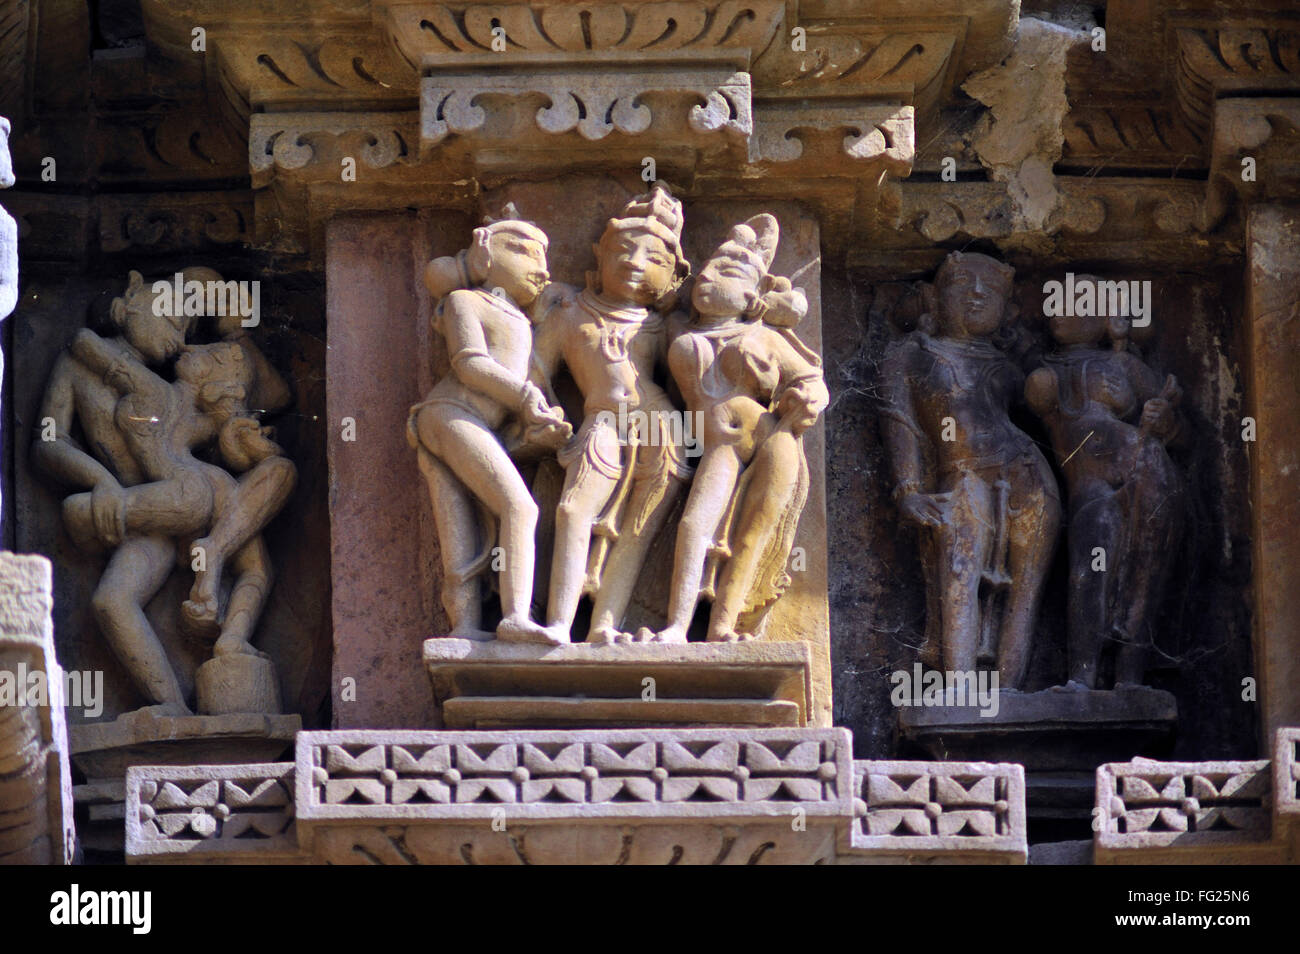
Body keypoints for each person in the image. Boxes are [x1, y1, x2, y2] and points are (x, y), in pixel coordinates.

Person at [879, 251, 1060, 689]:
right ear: (934, 299)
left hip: (1027, 473)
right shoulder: (912, 353)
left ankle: (1009, 693)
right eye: (963, 284)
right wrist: (908, 489)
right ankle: (958, 691)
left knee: (1024, 591)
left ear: (1009, 310)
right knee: (958, 578)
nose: (977, 293)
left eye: (991, 289)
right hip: (960, 474)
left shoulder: (1012, 366)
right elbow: (900, 421)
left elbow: (1054, 416)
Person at [646, 214, 826, 643]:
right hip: (718, 443)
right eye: (706, 269)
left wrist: (807, 401)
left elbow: (812, 381)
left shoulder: (765, 337)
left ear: (750, 295)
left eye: (725, 272)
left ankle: (723, 626)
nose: (707, 277)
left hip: (771, 437)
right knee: (695, 526)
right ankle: (676, 627)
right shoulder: (676, 329)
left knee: (755, 532)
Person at [531, 183, 693, 644]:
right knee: (573, 507)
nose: (635, 262)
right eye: (622, 250)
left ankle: (604, 624)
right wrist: (538, 409)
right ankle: (560, 623)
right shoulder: (568, 314)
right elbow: (535, 372)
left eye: (655, 260)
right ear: (598, 255)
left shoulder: (660, 325)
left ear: (675, 279)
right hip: (601, 420)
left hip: (662, 427)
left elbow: (693, 383)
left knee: (637, 529)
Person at [407, 213, 571, 643]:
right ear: (484, 252)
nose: (542, 268)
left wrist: (540, 424)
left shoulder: (522, 322)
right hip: (449, 413)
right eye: (526, 252)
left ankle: (464, 625)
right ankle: (514, 617)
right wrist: (522, 396)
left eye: (544, 256)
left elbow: (524, 393)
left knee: (460, 520)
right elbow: (469, 362)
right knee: (520, 507)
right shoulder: (467, 301)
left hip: (477, 424)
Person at [1026, 277, 1185, 689]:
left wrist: (1155, 416)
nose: (1061, 312)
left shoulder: (1125, 365)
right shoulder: (1041, 369)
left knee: (1145, 569)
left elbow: (1183, 435)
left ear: (1107, 319)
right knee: (1090, 566)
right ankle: (1082, 677)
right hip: (1091, 484)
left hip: (1147, 467)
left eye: (1078, 304)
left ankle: (1130, 677)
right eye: (1056, 303)